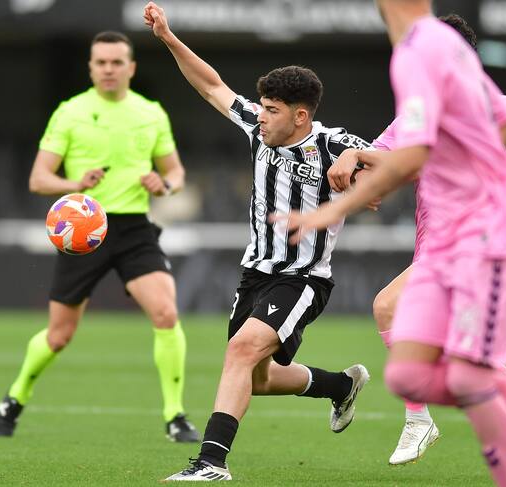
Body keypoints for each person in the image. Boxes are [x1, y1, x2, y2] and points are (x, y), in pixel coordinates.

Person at [278, 1, 506, 485]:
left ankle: (420, 422)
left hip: (483, 236)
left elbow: (417, 156)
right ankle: (422, 419)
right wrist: (355, 159)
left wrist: (336, 207)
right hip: (442, 241)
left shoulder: (442, 70)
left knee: (401, 317)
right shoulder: (422, 87)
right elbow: (392, 153)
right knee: (422, 368)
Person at [144, 2, 372, 481]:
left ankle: (211, 462)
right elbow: (211, 85)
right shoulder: (255, 127)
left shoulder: (331, 144)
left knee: (240, 352)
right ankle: (340, 386)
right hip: (255, 273)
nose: (261, 117)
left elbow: (393, 163)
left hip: (302, 278)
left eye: (272, 110)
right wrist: (167, 36)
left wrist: (360, 166)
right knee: (257, 378)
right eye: (262, 108)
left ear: (301, 116)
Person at [0, 30, 200, 443]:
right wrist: (75, 183)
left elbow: (176, 173)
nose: (109, 69)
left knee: (166, 314)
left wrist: (164, 185)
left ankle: (175, 416)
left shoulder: (150, 113)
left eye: (116, 62)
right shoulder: (70, 112)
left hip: (134, 228)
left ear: (131, 67)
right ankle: (15, 397)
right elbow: (38, 179)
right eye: (101, 62)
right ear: (91, 67)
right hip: (84, 230)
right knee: (59, 336)